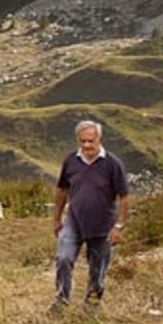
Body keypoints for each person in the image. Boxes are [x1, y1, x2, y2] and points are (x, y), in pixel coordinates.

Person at [51, 120, 130, 314]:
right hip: (74, 222)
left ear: (99, 139)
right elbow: (61, 190)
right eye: (82, 141)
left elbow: (124, 197)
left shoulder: (112, 163)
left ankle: (92, 304)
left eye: (90, 141)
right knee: (63, 259)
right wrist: (56, 219)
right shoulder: (71, 161)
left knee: (97, 268)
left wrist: (119, 226)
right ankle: (62, 300)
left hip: (103, 226)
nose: (86, 145)